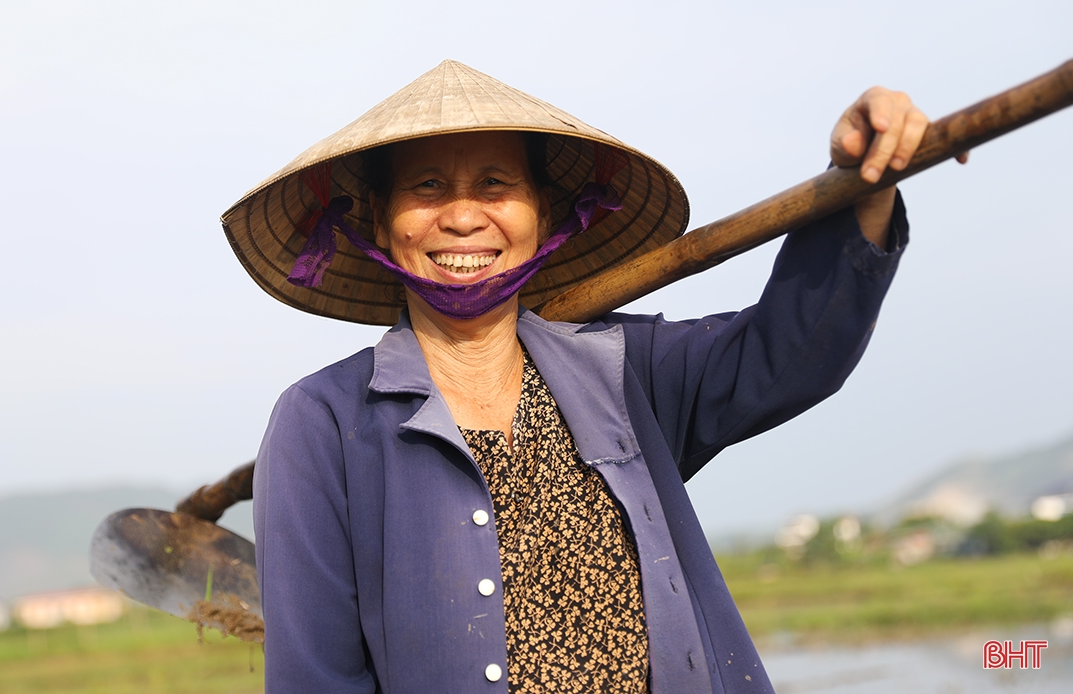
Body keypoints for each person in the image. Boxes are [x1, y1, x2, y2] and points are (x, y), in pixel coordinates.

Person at [222, 60, 934, 693]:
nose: (464, 215)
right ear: (381, 222)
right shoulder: (323, 425)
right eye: (429, 187)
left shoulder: (624, 371)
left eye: (496, 185)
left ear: (540, 215)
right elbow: (316, 677)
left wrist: (864, 185)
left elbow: (787, 356)